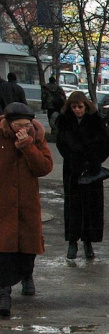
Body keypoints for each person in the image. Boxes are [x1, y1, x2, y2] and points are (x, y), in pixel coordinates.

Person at [0, 103, 53, 318]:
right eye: (18, 125)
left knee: (28, 246)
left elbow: (44, 167)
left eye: (27, 124)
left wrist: (28, 146)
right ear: (9, 123)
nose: (23, 128)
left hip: (27, 201)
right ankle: (4, 292)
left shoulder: (35, 135)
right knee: (4, 248)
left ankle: (26, 275)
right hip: (3, 200)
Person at [55, 90, 109, 263]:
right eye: (74, 107)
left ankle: (88, 242)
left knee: (91, 207)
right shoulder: (64, 121)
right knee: (73, 206)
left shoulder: (95, 120)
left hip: (92, 169)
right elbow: (61, 143)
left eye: (80, 107)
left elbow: (104, 143)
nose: (77, 110)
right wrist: (74, 159)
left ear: (86, 106)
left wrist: (93, 161)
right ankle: (72, 242)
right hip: (72, 168)